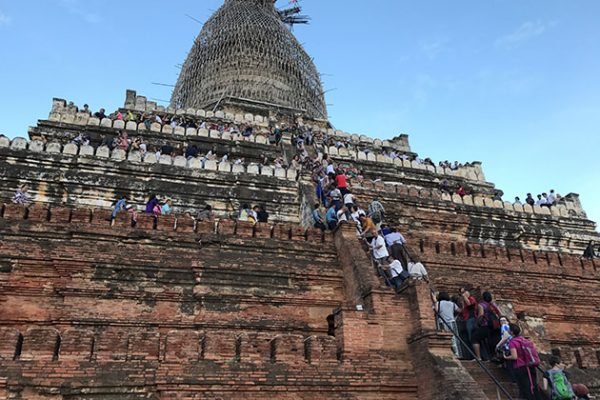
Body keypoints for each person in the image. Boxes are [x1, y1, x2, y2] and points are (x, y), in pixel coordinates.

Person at [504, 323, 542, 400]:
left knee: (525, 388)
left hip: (520, 367)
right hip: (530, 365)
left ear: (511, 332)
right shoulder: (523, 340)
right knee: (534, 386)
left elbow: (514, 357)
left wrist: (506, 357)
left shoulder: (513, 342)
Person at [471, 291, 500, 361]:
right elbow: (500, 314)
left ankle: (478, 357)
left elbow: (481, 315)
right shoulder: (493, 305)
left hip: (485, 325)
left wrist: (477, 323)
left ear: (483, 297)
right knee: (492, 341)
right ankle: (494, 357)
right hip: (495, 326)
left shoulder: (481, 305)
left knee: (474, 338)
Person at [432, 291, 461, 357]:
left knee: (444, 338)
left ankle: (448, 353)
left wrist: (434, 300)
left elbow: (436, 310)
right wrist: (455, 316)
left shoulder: (438, 303)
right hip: (452, 322)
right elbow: (459, 310)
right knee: (454, 338)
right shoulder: (452, 303)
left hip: (442, 323)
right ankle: (457, 354)